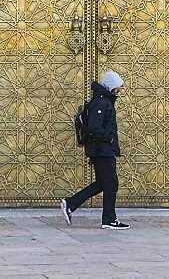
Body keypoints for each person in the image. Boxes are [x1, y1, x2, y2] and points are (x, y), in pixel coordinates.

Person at [60, 71, 130, 230]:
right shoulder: (101, 102)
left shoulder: (104, 101)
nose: (119, 92)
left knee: (102, 183)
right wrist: (109, 139)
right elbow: (94, 128)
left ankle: (70, 204)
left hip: (102, 149)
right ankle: (109, 220)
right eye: (118, 89)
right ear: (111, 87)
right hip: (102, 150)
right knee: (111, 183)